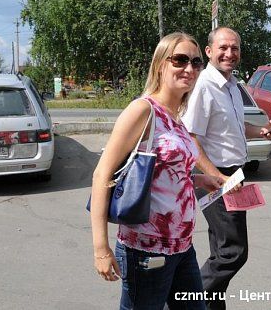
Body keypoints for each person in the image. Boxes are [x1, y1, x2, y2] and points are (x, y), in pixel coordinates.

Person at [90, 32, 224, 310]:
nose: (189, 68)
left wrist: (200, 179)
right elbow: (102, 174)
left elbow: (164, 173)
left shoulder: (176, 117)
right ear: (161, 64)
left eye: (196, 62)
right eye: (180, 60)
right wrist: (100, 248)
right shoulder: (143, 110)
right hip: (145, 250)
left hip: (182, 247)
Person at [182, 27, 271, 310]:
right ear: (209, 52)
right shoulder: (203, 86)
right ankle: (179, 303)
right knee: (232, 253)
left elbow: (230, 127)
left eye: (234, 48)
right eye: (223, 48)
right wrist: (215, 176)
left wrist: (258, 131)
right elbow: (191, 136)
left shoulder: (232, 85)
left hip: (233, 174)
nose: (229, 53)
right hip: (216, 176)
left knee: (221, 249)